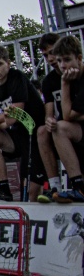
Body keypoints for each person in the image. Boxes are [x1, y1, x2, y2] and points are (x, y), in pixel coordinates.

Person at [0, 45, 45, 202]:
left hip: (35, 134)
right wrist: (0, 122)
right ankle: (3, 189)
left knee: (31, 193)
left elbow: (15, 115)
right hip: (16, 135)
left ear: (8, 64)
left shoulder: (17, 77)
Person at [49, 35, 84, 203]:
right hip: (79, 129)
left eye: (67, 60)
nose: (63, 65)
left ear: (79, 58)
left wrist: (64, 84)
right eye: (59, 60)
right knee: (58, 127)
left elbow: (68, 115)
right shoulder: (66, 78)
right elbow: (67, 116)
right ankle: (79, 186)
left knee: (62, 126)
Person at [33, 33, 65, 201]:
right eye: (45, 55)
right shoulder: (48, 81)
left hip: (74, 125)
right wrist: (49, 120)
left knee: (62, 128)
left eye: (52, 52)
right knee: (42, 131)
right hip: (63, 127)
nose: (50, 59)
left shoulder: (77, 73)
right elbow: (49, 111)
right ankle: (55, 186)